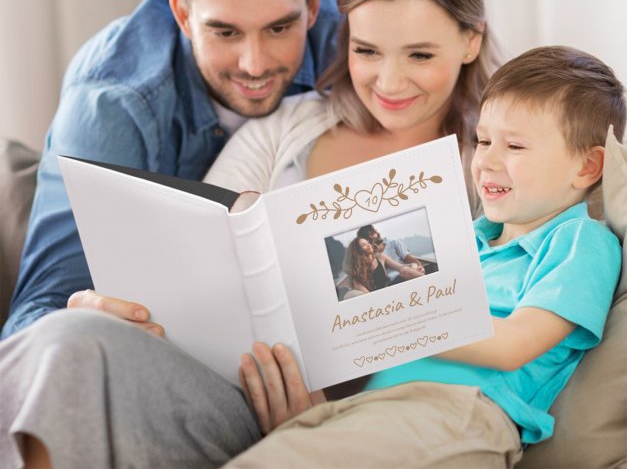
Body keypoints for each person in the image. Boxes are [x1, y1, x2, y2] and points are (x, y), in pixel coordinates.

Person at [0, 0, 501, 468]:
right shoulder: (289, 124)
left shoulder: (491, 165)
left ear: (470, 40)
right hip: (216, 388)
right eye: (367, 51)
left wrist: (321, 419)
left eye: (420, 56)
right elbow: (188, 250)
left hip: (360, 422)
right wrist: (110, 306)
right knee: (70, 340)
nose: (388, 81)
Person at [224, 46, 624, 468]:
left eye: (515, 146)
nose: (486, 160)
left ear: (586, 167)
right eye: (483, 140)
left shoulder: (581, 240)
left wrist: (389, 316)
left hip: (460, 413)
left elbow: (512, 345)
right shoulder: (467, 236)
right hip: (373, 407)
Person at [1, 0, 340, 339]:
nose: (254, 64)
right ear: (182, 14)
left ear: (312, 5)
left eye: (279, 28)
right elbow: (31, 320)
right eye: (224, 31)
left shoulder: (355, 43)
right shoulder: (113, 105)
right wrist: (79, 324)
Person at [356, 222, 428, 282]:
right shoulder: (369, 254)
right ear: (367, 238)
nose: (377, 233)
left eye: (375, 231)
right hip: (392, 281)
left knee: (408, 269)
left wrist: (420, 266)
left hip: (407, 273)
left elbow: (410, 259)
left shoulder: (393, 243)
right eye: (372, 233)